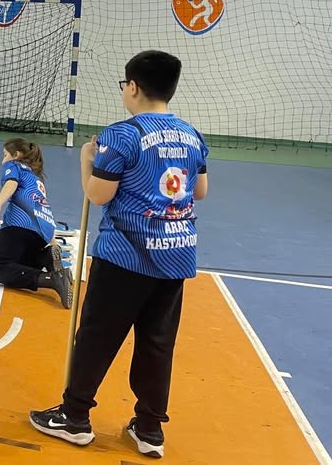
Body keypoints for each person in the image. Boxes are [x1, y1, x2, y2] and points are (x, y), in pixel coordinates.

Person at [30, 51, 209, 459]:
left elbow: (98, 194)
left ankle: (74, 417)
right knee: (157, 342)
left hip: (126, 254)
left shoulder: (122, 135)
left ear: (133, 87)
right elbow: (199, 192)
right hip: (176, 255)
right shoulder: (192, 134)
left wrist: (87, 162)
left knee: (97, 334)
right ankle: (149, 428)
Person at [0, 138, 72, 308]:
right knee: (19, 268)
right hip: (43, 231)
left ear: (16, 155)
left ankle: (52, 279)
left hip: (20, 224)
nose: (3, 159)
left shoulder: (14, 165)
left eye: (5, 155)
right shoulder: (37, 179)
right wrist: (52, 241)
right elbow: (42, 205)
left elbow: (11, 183)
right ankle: (46, 256)